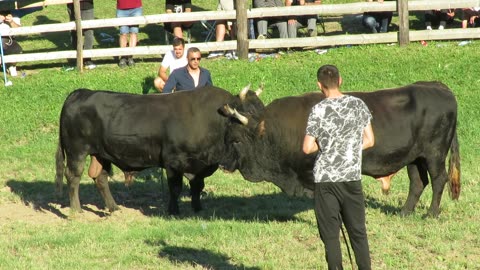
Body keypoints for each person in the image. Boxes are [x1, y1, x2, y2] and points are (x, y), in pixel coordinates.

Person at [302, 65, 374, 270]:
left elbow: (307, 148)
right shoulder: (358, 105)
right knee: (358, 233)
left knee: (331, 236)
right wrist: (348, 146)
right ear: (340, 80)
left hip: (325, 180)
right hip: (351, 178)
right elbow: (370, 140)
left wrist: (326, 145)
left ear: (319, 85)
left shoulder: (318, 110)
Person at [67, 0, 96, 69]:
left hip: (87, 5)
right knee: (74, 32)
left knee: (89, 32)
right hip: (72, 6)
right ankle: (78, 56)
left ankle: (87, 58)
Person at [116, 0, 143, 68]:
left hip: (136, 8)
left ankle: (130, 56)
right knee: (123, 33)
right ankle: (123, 57)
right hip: (122, 8)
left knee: (133, 32)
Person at [0, 11, 22, 77]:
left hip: (9, 42)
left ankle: (11, 65)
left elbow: (19, 31)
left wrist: (11, 21)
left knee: (3, 41)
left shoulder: (13, 15)